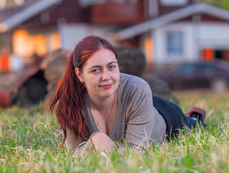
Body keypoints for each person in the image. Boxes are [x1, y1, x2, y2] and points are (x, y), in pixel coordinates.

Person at [49, 35, 206, 153]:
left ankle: (194, 115)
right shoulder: (69, 102)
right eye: (95, 70)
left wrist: (103, 146)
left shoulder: (138, 89)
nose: (106, 76)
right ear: (80, 74)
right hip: (138, 105)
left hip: (164, 115)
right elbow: (74, 154)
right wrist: (95, 140)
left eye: (111, 67)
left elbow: (136, 153)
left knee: (193, 125)